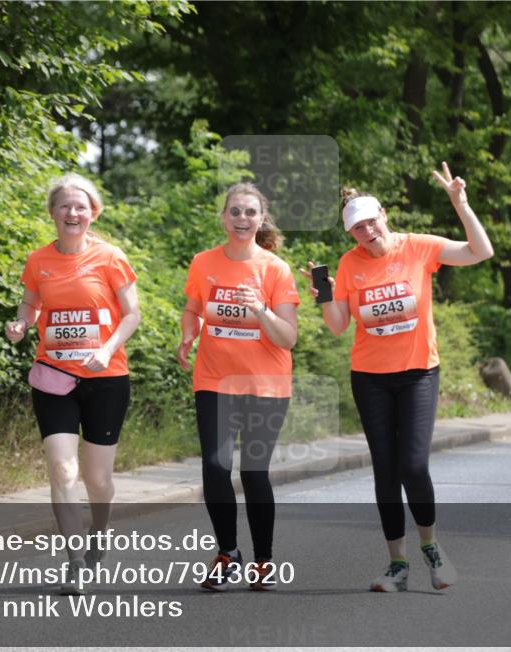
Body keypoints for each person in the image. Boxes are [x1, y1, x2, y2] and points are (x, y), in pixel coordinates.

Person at [302, 162, 493, 593]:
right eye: (358, 229)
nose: (368, 232)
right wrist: (327, 294)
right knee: (385, 472)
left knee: (413, 465)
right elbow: (337, 325)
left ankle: (431, 548)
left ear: (384, 215)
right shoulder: (350, 265)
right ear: (351, 234)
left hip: (418, 373)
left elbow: (480, 252)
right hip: (369, 377)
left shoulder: (418, 247)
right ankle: (397, 564)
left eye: (371, 222)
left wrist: (460, 204)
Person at [5, 173, 141, 593]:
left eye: (80, 206)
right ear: (52, 213)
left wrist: (107, 348)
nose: (72, 212)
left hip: (106, 378)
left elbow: (132, 314)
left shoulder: (111, 257)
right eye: (64, 205)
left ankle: (100, 531)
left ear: (92, 212)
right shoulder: (38, 260)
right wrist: (22, 323)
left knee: (97, 479)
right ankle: (76, 560)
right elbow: (30, 302)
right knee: (62, 469)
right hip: (53, 377)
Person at [177, 182, 299, 592]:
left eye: (250, 212)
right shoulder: (203, 262)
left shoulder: (275, 269)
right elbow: (193, 308)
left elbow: (287, 337)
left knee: (253, 472)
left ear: (260, 219)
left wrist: (260, 309)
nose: (242, 219)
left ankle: (263, 561)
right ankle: (228, 553)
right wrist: (187, 336)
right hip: (214, 379)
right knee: (214, 467)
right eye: (235, 212)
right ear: (224, 217)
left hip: (266, 385)